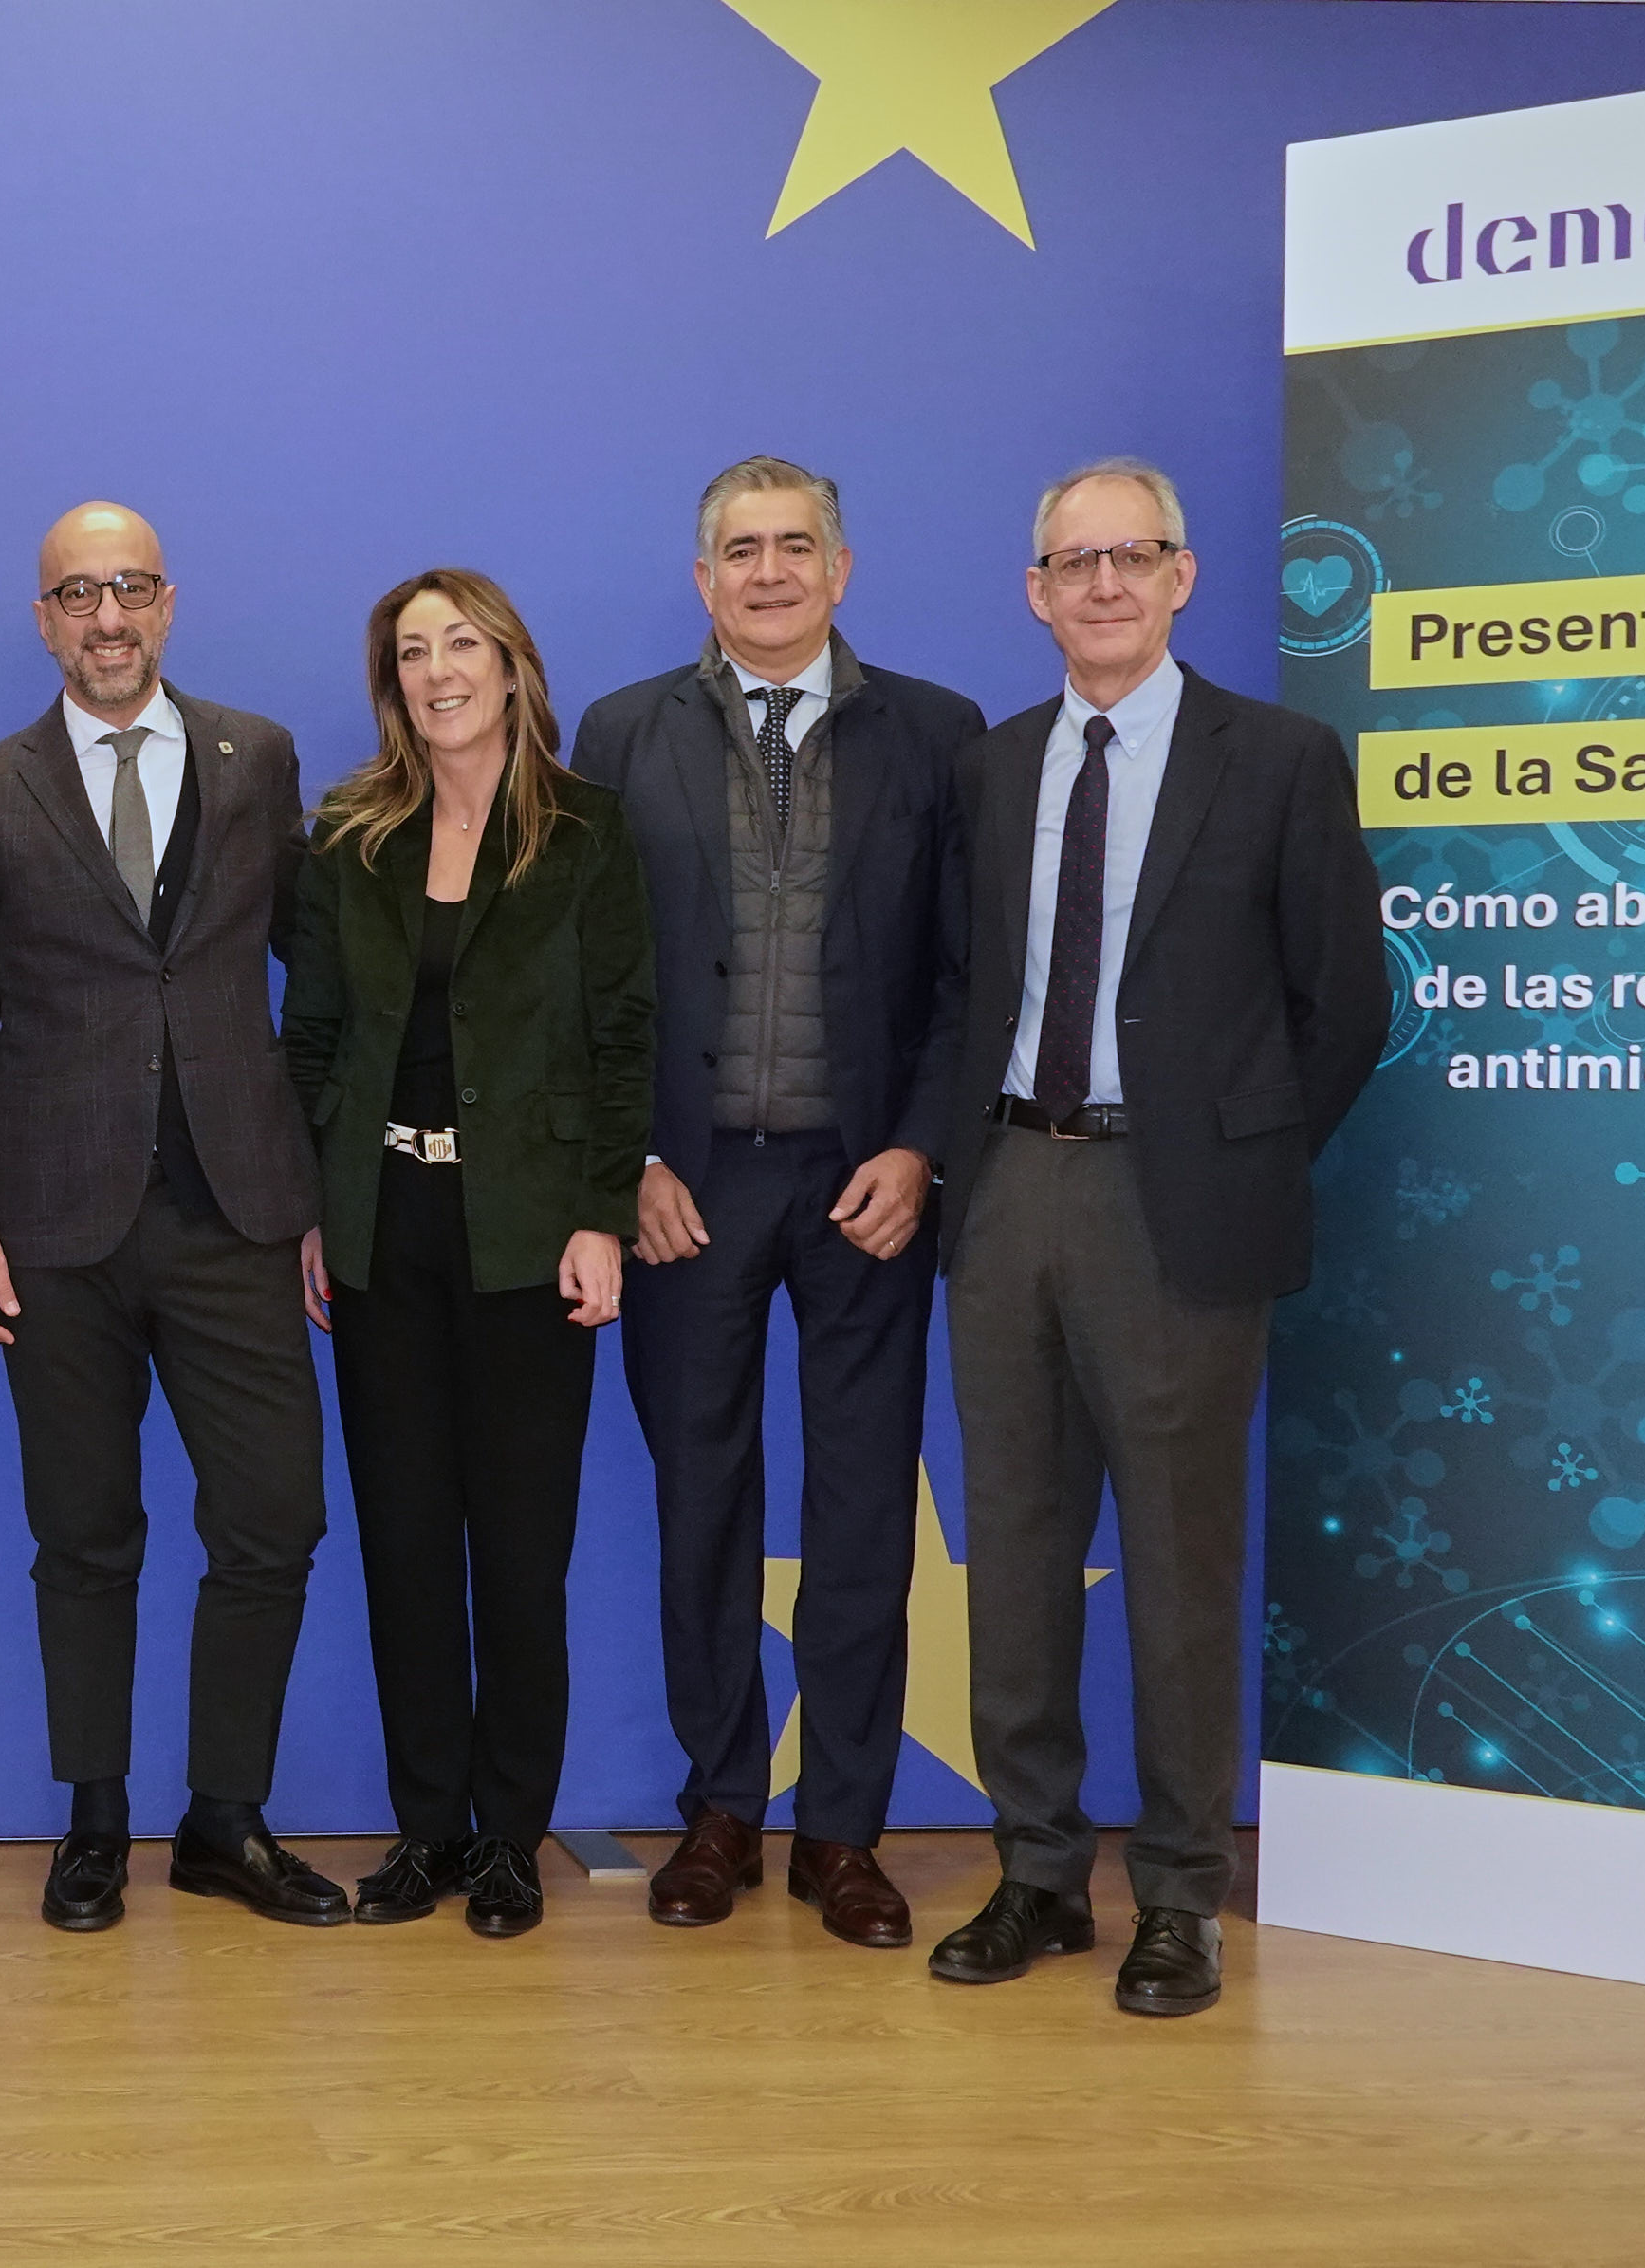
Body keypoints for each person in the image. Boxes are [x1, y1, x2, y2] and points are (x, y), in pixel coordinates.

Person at [927, 458, 1383, 2018]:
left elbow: (1344, 1002)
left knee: (1183, 1562)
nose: (1105, 583)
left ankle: (1182, 1889)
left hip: (1177, 1209)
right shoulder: (992, 767)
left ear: (1183, 576)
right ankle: (1039, 1872)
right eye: (1075, 562)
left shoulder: (1280, 757)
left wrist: (1233, 1157)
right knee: (1017, 1551)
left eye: (1134, 555)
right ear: (1036, 592)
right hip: (1009, 1188)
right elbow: (961, 987)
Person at [570, 457, 985, 1950]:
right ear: (702, 580)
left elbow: (967, 973)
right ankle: (722, 1808)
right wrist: (629, 1159)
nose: (766, 573)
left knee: (864, 1506)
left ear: (840, 569)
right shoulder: (621, 733)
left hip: (865, 1184)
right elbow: (583, 974)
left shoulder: (934, 734)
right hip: (687, 1188)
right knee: (703, 1502)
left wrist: (921, 1147)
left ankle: (845, 1830)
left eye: (793, 546)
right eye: (738, 551)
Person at [0, 500, 343, 1933]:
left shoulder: (256, 758)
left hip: (238, 1210)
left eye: (131, 588)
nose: (107, 617)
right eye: (78, 593)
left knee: (275, 1516)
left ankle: (225, 1817)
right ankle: (94, 1818)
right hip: (53, 1227)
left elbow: (316, 976)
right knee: (85, 1534)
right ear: (43, 619)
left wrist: (321, 1187)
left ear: (169, 603)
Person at [283, 569, 651, 1939]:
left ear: (511, 666)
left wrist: (602, 1211)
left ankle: (508, 1837)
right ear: (392, 682)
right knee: (403, 1544)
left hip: (531, 1232)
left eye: (461, 644)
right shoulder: (349, 835)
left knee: (519, 1549)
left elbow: (624, 1033)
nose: (437, 670)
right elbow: (313, 1037)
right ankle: (428, 1826)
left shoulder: (587, 831)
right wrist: (317, 1207)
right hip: (383, 1223)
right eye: (411, 651)